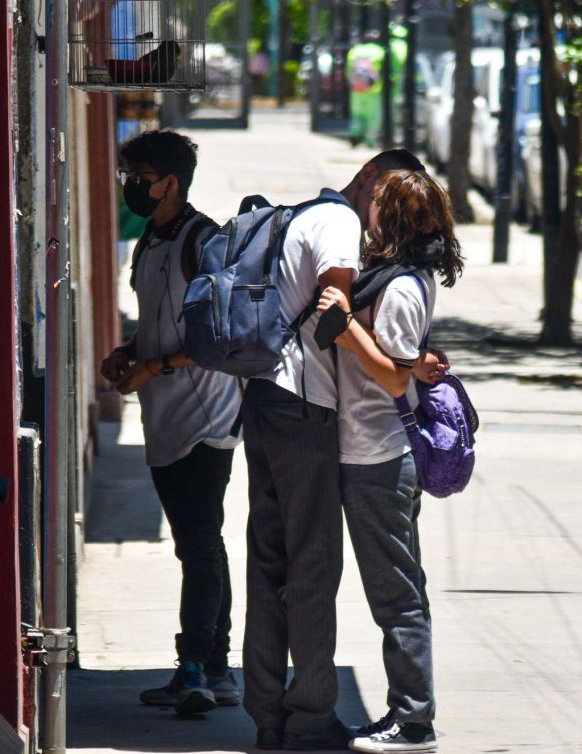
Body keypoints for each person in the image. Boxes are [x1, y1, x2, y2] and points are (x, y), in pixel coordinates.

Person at [241, 148, 427, 752]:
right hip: (305, 410)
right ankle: (313, 715)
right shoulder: (343, 224)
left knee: (268, 565)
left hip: (264, 399)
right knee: (312, 569)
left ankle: (269, 715)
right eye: (390, 204)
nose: (390, 222)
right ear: (371, 179)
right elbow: (335, 314)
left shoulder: (300, 216)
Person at [314, 169, 463, 754]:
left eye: (377, 204)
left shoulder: (400, 287)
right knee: (401, 591)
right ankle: (407, 712)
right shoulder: (397, 279)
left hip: (377, 456)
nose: (366, 211)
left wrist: (348, 329)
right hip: (371, 453)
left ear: (391, 218)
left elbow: (392, 375)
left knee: (396, 596)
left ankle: (414, 721)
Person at [100, 130, 242, 716]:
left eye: (141, 174)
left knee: (200, 543)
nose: (132, 184)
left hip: (205, 417)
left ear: (171, 182)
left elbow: (224, 336)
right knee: (199, 543)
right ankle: (215, 666)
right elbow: (161, 320)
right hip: (162, 413)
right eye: (128, 173)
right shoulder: (152, 241)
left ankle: (196, 668)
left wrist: (154, 365)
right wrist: (130, 351)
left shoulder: (202, 242)